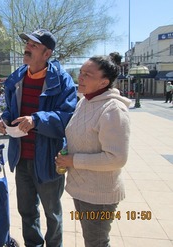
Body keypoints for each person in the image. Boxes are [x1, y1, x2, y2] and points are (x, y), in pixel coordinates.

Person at [0, 29, 77, 247]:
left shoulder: (62, 81)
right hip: (21, 157)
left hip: (49, 159)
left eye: (34, 45)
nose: (28, 47)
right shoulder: (17, 78)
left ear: (47, 53)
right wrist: (4, 120)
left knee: (52, 213)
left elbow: (67, 118)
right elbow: (10, 110)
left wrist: (36, 120)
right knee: (26, 211)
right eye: (28, 43)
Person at [55, 52, 131, 247]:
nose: (80, 77)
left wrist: (73, 160)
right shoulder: (84, 102)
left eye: (87, 75)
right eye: (80, 72)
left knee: (97, 242)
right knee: (91, 240)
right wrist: (66, 154)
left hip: (100, 194)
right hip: (81, 189)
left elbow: (116, 158)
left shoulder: (113, 109)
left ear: (103, 83)